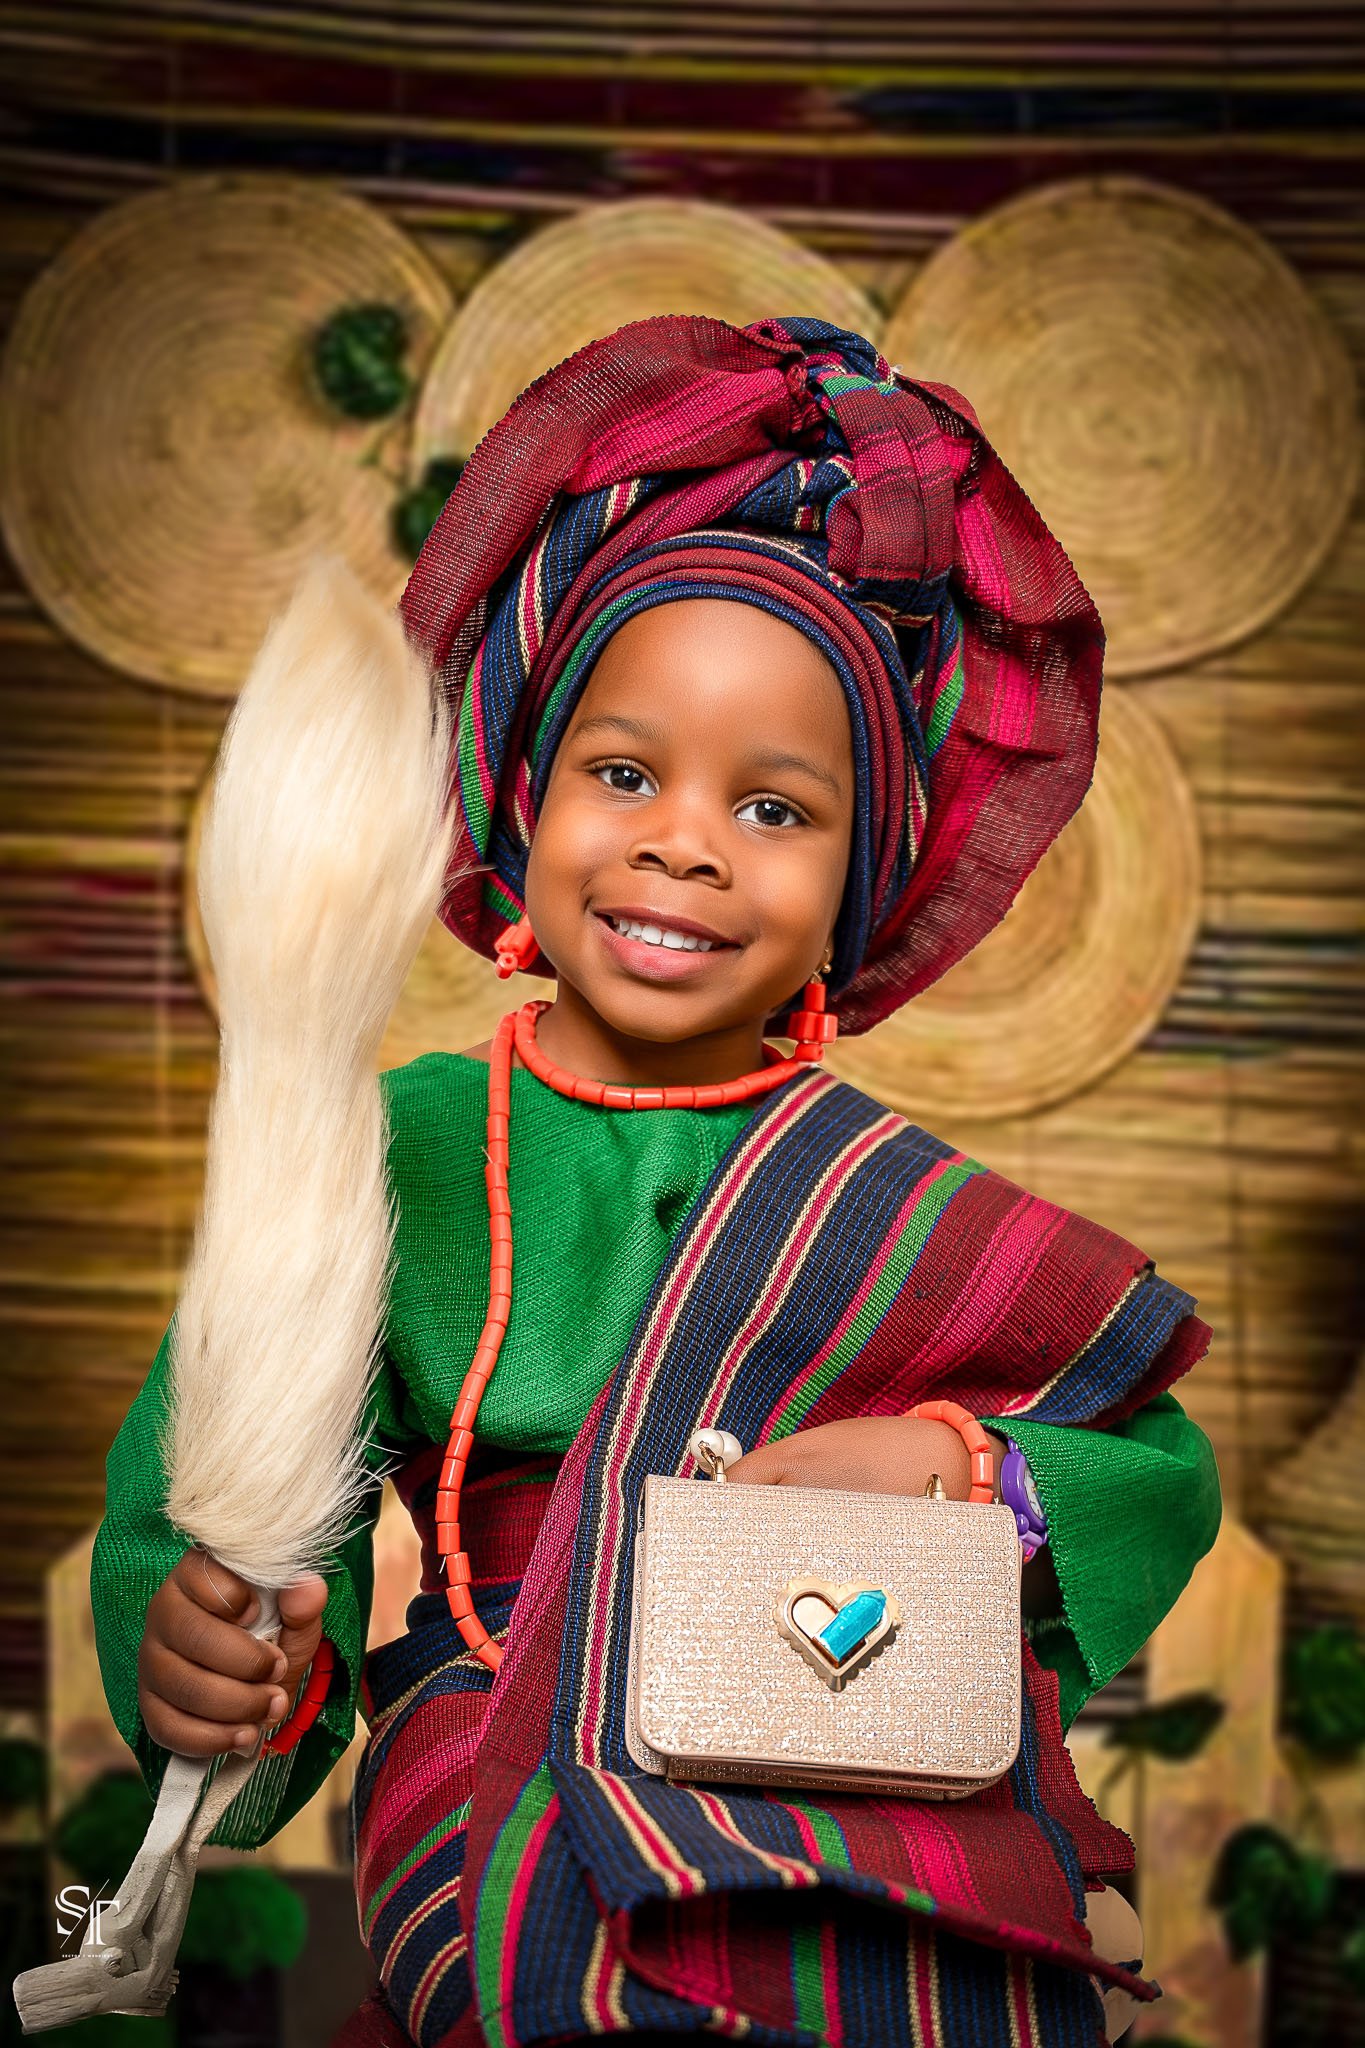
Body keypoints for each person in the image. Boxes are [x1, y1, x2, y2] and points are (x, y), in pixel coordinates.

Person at [92, 316, 1221, 2047]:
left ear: (861, 885)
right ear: (525, 802)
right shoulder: (379, 1149)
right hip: (499, 1758)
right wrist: (208, 1658)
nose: (684, 839)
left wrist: (947, 1467)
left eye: (775, 810)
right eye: (624, 774)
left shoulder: (892, 1208)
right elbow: (223, 1500)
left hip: (836, 1748)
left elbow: (1152, 1473)